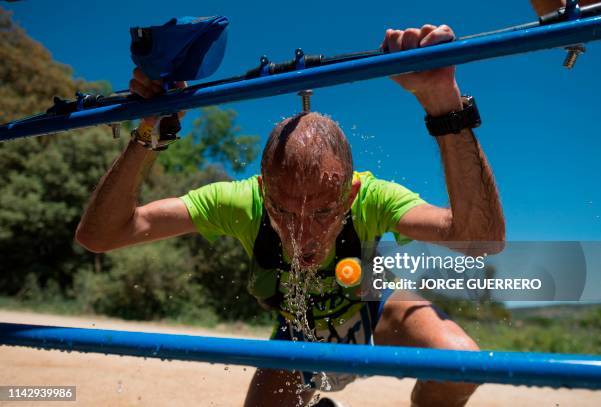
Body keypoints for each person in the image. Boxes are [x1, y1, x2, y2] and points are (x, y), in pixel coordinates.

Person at [76, 23, 505, 407]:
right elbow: (102, 235)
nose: (302, 234)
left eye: (321, 211)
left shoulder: (373, 196)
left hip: (375, 311)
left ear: (350, 192)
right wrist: (150, 132)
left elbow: (480, 237)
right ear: (263, 190)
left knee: (461, 364)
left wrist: (442, 103)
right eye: (283, 211)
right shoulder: (240, 201)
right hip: (298, 333)